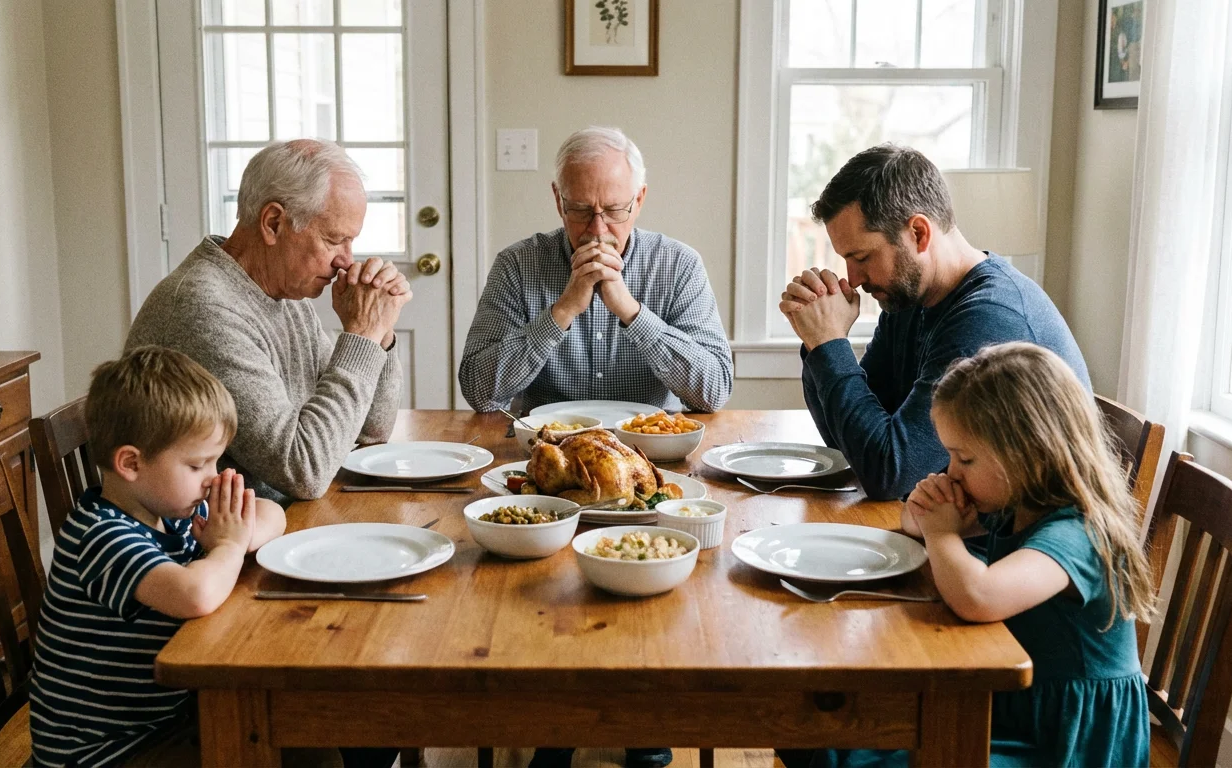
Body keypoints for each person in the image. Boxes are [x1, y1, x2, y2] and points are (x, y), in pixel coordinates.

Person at [782, 342, 1155, 767]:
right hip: (1013, 705)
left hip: (1063, 743)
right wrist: (928, 510)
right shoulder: (1016, 503)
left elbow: (979, 597)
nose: (952, 470)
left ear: (1026, 452)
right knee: (824, 733)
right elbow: (912, 523)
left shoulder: (1077, 534)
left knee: (859, 752)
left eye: (965, 458)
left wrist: (941, 532)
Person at [779, 144, 1089, 500]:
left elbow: (890, 473)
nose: (855, 278)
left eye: (862, 256)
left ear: (919, 233)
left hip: (1013, 546)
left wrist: (829, 344)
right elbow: (854, 445)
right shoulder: (909, 299)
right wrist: (820, 345)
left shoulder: (988, 319)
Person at [29, 346, 288, 766]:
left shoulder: (170, 508)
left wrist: (236, 532)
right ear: (131, 463)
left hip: (162, 720)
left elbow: (273, 513)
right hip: (107, 751)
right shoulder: (101, 536)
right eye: (198, 464)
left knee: (299, 739)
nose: (213, 478)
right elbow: (195, 595)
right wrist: (229, 545)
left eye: (216, 460)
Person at [127, 139, 410, 507]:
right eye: (333, 240)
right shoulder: (204, 309)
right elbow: (305, 471)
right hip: (207, 549)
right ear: (273, 223)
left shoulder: (281, 292)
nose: (346, 261)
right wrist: (361, 336)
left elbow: (371, 429)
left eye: (351, 242)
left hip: (275, 521)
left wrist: (378, 332)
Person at [460, 126, 732, 415]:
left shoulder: (679, 266)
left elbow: (713, 393)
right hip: (549, 447)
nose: (597, 229)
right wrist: (561, 312)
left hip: (649, 447)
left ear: (638, 200)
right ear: (558, 200)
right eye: (580, 210)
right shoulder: (517, 264)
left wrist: (632, 312)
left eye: (614, 210)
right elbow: (479, 393)